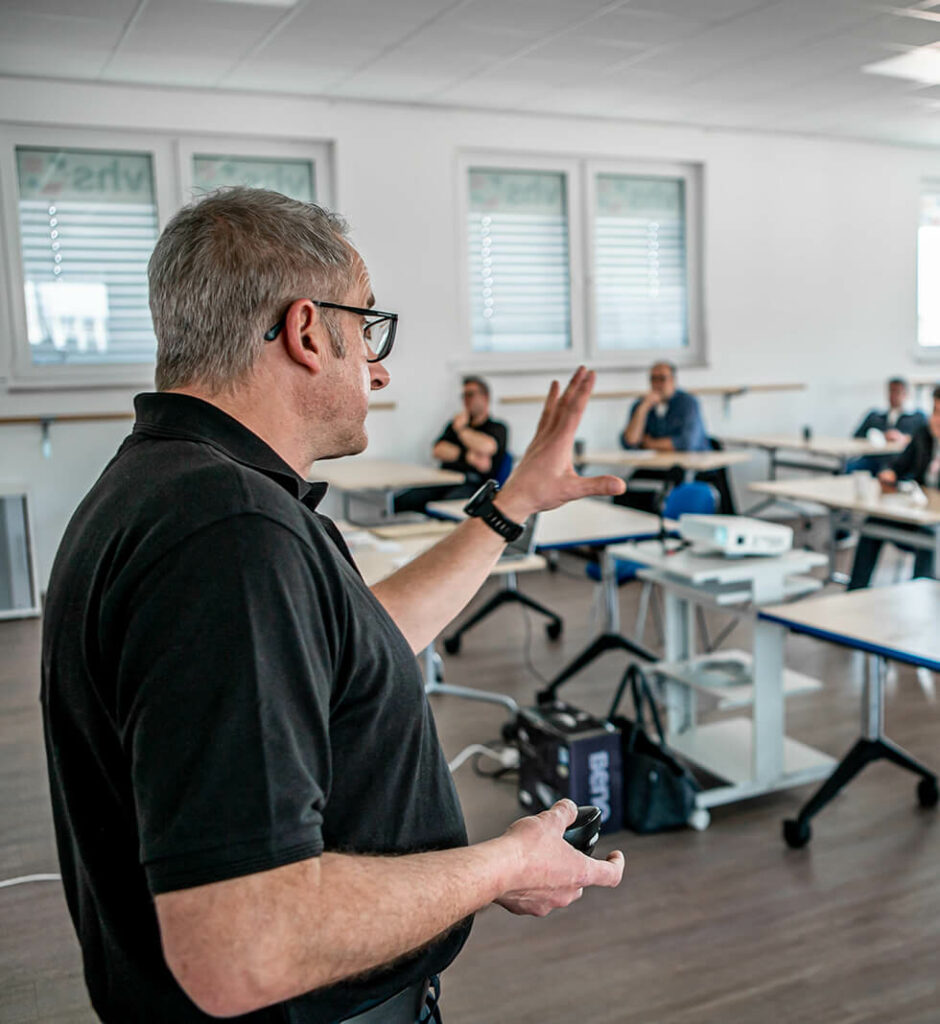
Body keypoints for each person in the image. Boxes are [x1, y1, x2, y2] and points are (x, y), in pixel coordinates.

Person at [40, 188, 626, 1024]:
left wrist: (510, 508)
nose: (379, 367)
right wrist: (503, 865)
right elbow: (240, 947)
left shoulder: (172, 487)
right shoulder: (230, 534)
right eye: (369, 329)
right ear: (308, 331)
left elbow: (360, 648)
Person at [847, 386, 940, 590]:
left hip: (933, 526)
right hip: (920, 516)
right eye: (935, 411)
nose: (937, 419)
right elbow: (899, 465)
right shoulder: (924, 434)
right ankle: (854, 591)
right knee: (873, 524)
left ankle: (921, 594)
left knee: (929, 537)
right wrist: (891, 473)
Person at [617, 362, 731, 513]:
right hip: (656, 467)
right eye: (653, 379)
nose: (657, 384)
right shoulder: (641, 404)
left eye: (662, 379)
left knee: (668, 492)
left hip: (690, 468)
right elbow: (630, 442)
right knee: (624, 491)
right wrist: (643, 408)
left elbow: (685, 443)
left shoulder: (688, 403)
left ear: (673, 380)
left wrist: (649, 442)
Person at [394, 376, 508, 513]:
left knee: (446, 506)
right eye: (464, 396)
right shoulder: (453, 424)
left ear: (485, 397)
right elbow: (438, 450)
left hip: (474, 484)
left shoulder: (497, 427)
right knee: (404, 499)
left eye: (470, 395)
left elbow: (487, 447)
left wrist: (461, 430)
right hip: (446, 480)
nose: (466, 400)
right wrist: (467, 455)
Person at [848, 377, 927, 475]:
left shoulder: (918, 417)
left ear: (906, 394)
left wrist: (904, 438)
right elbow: (857, 436)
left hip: (899, 460)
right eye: (891, 391)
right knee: (848, 467)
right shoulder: (875, 416)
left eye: (897, 392)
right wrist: (879, 436)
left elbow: (926, 440)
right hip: (874, 459)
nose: (893, 396)